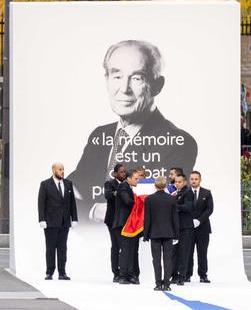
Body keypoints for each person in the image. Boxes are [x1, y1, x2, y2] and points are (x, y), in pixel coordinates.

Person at [69, 40, 198, 217]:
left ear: (157, 86)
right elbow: (67, 193)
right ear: (106, 80)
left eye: (137, 78)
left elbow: (152, 208)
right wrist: (95, 211)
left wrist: (88, 208)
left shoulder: (178, 143)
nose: (124, 89)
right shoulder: (100, 135)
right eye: (117, 76)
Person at [38, 163, 78, 280]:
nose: (62, 171)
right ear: (54, 170)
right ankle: (49, 272)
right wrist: (42, 219)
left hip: (64, 221)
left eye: (63, 169)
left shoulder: (68, 184)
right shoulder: (45, 184)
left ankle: (62, 272)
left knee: (62, 248)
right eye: (60, 169)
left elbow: (72, 203)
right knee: (50, 247)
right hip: (50, 221)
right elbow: (41, 203)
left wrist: (74, 218)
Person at [143, 176, 179, 291]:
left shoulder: (149, 199)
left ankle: (158, 284)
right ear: (165, 185)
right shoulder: (171, 199)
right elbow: (175, 219)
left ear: (155, 185)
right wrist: (176, 234)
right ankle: (167, 284)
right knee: (168, 259)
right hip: (169, 233)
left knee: (156, 259)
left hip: (154, 233)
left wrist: (145, 235)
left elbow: (147, 218)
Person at [116, 168, 143, 285]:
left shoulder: (129, 188)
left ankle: (131, 274)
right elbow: (127, 201)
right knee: (126, 250)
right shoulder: (123, 187)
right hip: (125, 224)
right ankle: (123, 275)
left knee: (132, 250)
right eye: (136, 178)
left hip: (132, 225)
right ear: (128, 178)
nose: (138, 181)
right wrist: (141, 202)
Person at [187, 170, 214, 283]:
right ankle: (187, 275)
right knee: (188, 252)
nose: (194, 181)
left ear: (200, 180)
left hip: (203, 228)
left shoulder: (207, 193)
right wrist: (190, 220)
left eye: (196, 179)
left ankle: (203, 275)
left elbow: (210, 209)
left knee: (202, 253)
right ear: (189, 180)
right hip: (188, 228)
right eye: (192, 179)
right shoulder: (185, 192)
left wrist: (199, 220)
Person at [103, 163, 126, 282]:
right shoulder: (110, 183)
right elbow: (107, 195)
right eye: (121, 172)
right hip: (112, 220)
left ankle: (124, 271)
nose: (124, 174)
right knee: (116, 245)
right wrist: (119, 193)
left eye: (124, 172)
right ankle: (116, 272)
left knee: (124, 246)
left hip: (124, 220)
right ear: (115, 173)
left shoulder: (127, 184)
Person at [171, 172, 194, 286]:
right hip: (177, 227)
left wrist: (175, 207)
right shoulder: (176, 193)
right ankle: (174, 275)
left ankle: (182, 276)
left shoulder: (188, 192)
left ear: (185, 182)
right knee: (174, 252)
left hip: (185, 227)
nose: (177, 184)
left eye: (179, 182)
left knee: (184, 252)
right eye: (175, 182)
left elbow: (188, 206)